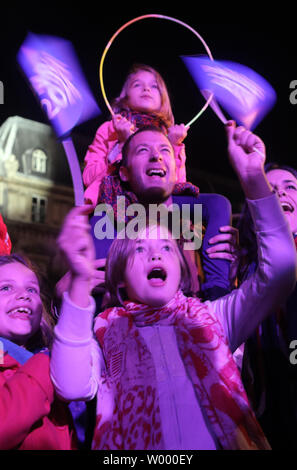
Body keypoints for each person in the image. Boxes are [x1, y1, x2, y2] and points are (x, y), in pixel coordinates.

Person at [50, 122, 296, 450]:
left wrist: (253, 178)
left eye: (167, 247)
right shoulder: (102, 330)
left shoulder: (214, 319)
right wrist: (79, 283)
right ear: (119, 274)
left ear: (181, 270)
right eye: (140, 247)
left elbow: (280, 269)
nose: (155, 251)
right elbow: (70, 386)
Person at [89, 124, 234, 302]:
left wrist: (221, 290)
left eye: (165, 150)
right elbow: (95, 293)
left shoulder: (197, 220)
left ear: (175, 169)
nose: (156, 156)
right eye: (143, 150)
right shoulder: (106, 218)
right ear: (124, 173)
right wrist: (70, 298)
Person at [237, 162, 297, 449]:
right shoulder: (239, 273)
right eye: (269, 190)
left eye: (290, 188)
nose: (280, 194)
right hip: (260, 417)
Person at [83, 63, 188, 205]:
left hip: (160, 209)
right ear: (125, 96)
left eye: (154, 86)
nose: (146, 89)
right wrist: (121, 145)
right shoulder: (110, 130)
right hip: (115, 207)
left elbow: (179, 185)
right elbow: (88, 177)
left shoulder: (169, 136)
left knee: (218, 204)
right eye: (137, 85)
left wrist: (173, 147)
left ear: (163, 98)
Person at [0, 254, 76, 450]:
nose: (24, 295)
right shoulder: (43, 366)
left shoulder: (51, 366)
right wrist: (45, 362)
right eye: (6, 288)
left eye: (32, 289)